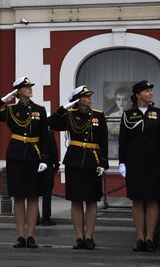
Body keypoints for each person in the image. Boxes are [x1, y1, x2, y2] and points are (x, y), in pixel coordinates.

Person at [0, 77, 49, 248]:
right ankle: (21, 235)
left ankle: (31, 235)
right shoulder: (10, 110)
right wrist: (3, 100)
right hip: (16, 156)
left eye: (29, 86)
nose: (29, 89)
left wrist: (44, 158)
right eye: (26, 87)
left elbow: (44, 138)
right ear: (18, 91)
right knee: (18, 197)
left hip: (34, 156)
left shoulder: (39, 110)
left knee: (33, 197)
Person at [48, 85, 108, 250]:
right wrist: (64, 107)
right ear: (78, 99)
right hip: (74, 161)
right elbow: (50, 122)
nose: (89, 98)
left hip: (92, 160)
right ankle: (79, 237)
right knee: (76, 200)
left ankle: (89, 237)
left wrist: (103, 162)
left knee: (91, 200)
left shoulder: (98, 115)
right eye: (86, 96)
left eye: (89, 96)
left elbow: (103, 140)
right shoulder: (69, 115)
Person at [118, 81, 160, 252]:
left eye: (151, 91)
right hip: (134, 163)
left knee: (153, 199)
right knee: (138, 200)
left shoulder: (158, 114)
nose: (150, 93)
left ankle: (150, 238)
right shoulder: (128, 115)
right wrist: (122, 162)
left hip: (154, 163)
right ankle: (140, 237)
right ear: (138, 94)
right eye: (147, 91)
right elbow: (123, 141)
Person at [39, 130, 59, 226]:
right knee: (47, 193)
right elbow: (54, 150)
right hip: (48, 166)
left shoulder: (33, 132)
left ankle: (35, 218)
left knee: (34, 195)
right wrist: (57, 165)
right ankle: (46, 219)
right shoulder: (49, 134)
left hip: (35, 166)